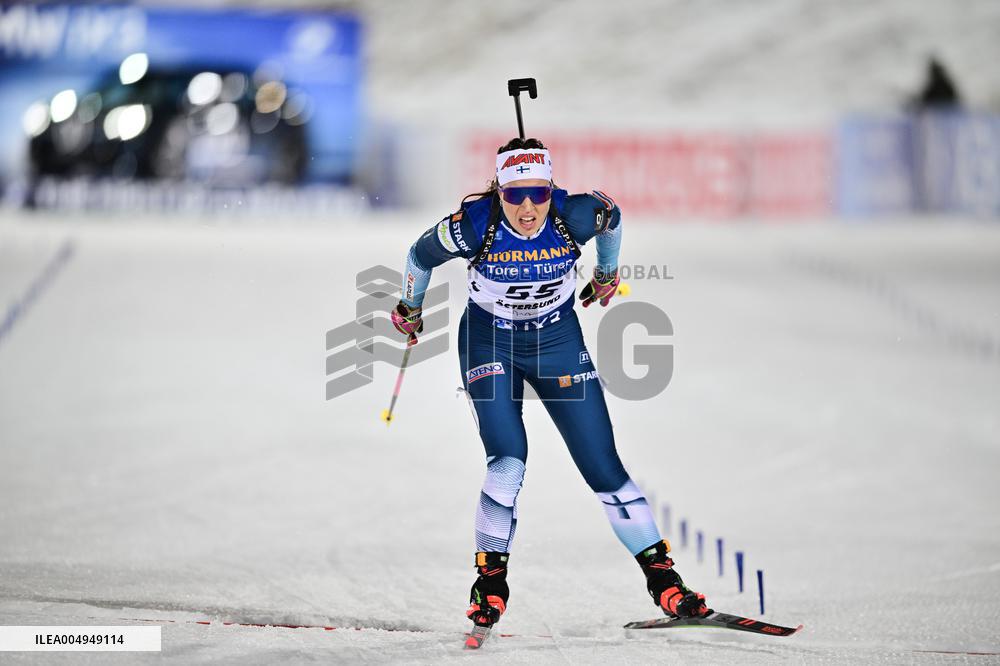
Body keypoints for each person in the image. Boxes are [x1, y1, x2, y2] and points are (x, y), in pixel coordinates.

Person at [391, 137, 707, 630]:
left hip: (557, 342)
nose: (527, 207)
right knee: (508, 457)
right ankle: (490, 582)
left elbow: (612, 217)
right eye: (514, 195)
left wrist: (607, 272)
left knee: (602, 464)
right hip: (489, 343)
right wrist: (410, 306)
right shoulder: (475, 224)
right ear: (499, 191)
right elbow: (419, 254)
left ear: (551, 188)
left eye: (538, 194)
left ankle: (665, 582)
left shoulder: (575, 214)